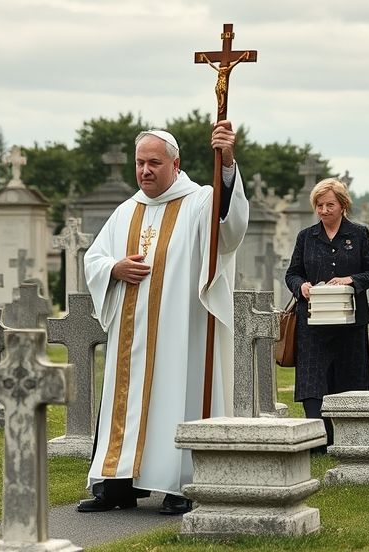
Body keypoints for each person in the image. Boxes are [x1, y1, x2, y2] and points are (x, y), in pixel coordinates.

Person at [78, 122, 249, 515]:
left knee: (178, 395)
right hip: (131, 337)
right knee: (128, 400)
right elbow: (95, 257)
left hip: (181, 333)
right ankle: (119, 484)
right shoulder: (127, 210)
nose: (145, 171)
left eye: (154, 163)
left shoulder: (201, 201)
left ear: (176, 164)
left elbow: (231, 226)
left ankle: (182, 484)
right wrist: (114, 268)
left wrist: (226, 163)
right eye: (140, 163)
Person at [284, 178, 369, 450]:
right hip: (313, 323)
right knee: (312, 380)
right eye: (319, 205)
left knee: (351, 377)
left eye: (329, 205)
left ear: (342, 205)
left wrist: (350, 279)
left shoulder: (358, 234)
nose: (324, 210)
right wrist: (300, 286)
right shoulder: (306, 237)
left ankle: (352, 436)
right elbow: (292, 273)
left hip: (349, 323)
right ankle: (316, 438)